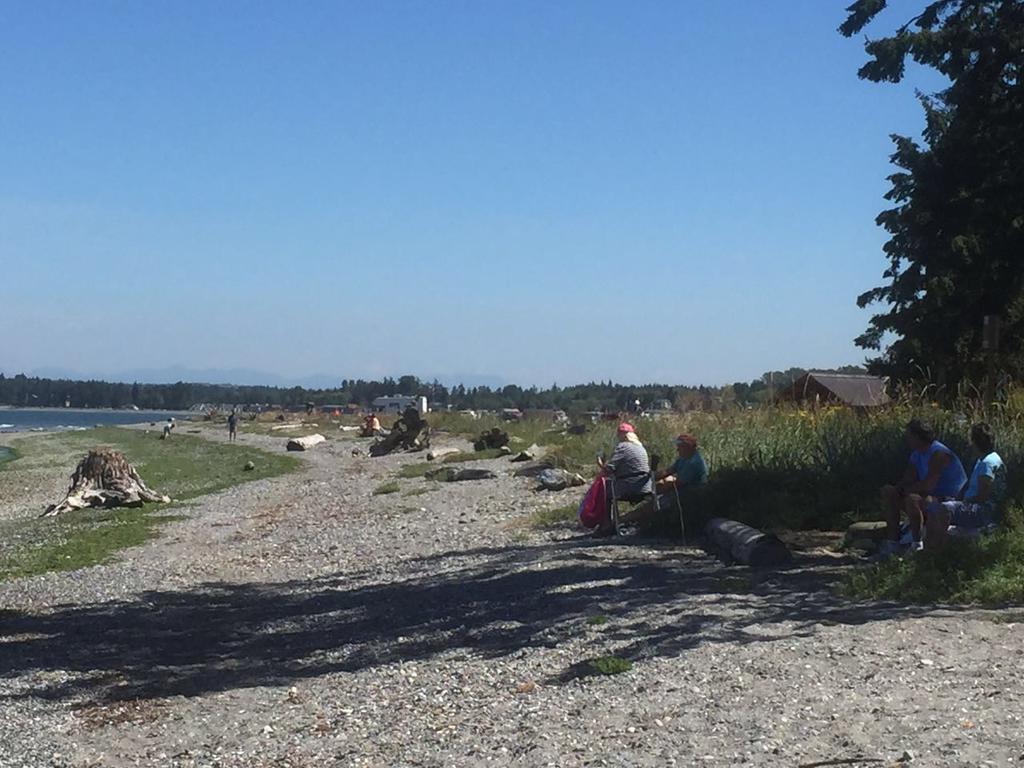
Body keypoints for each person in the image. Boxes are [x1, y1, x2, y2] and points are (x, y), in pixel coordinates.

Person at [878, 419, 967, 555]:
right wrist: (896, 489)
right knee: (889, 492)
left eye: (909, 436)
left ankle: (917, 543)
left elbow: (928, 484)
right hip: (929, 495)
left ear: (918, 437)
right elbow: (908, 477)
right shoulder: (916, 454)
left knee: (913, 500)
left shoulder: (939, 454)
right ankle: (893, 541)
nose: (907, 439)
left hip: (948, 498)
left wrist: (906, 490)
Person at [924, 422, 1006, 551]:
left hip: (984, 510)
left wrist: (961, 502)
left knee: (946, 508)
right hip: (974, 505)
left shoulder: (988, 463)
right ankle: (927, 547)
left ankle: (937, 550)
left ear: (975, 442)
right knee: (934, 504)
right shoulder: (984, 460)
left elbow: (982, 496)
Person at [621, 433, 708, 536]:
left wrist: (653, 490)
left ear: (687, 447)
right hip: (680, 491)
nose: (677, 450)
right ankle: (628, 522)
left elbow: (678, 483)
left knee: (652, 505)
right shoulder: (683, 459)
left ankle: (622, 522)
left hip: (690, 494)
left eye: (679, 447)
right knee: (652, 501)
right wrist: (650, 477)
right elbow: (668, 471)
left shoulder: (694, 462)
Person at [593, 423, 653, 535]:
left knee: (606, 490)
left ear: (621, 435)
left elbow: (609, 469)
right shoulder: (641, 447)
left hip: (629, 486)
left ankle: (606, 524)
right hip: (645, 486)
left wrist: (600, 464)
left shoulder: (623, 447)